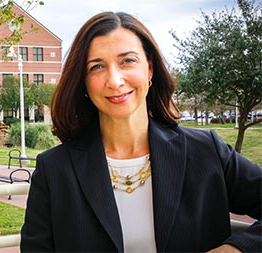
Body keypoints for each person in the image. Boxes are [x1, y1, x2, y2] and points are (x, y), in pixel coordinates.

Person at [20, 11, 262, 253]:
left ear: (149, 69)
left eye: (127, 61)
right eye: (96, 66)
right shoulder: (54, 169)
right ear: (83, 81)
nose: (114, 81)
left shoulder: (207, 151)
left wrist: (234, 249)